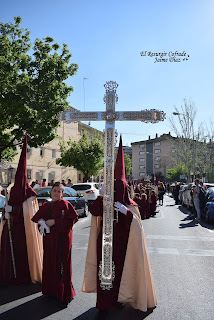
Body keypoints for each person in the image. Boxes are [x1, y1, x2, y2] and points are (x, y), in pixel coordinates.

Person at [82, 136, 157, 319]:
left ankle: (119, 299)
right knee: (103, 273)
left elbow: (138, 228)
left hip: (123, 246)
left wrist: (127, 212)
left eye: (119, 188)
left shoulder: (130, 205)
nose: (117, 191)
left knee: (121, 273)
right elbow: (93, 212)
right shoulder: (105, 201)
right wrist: (101, 196)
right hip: (104, 242)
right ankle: (103, 303)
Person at [0, 133, 43, 285]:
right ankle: (8, 275)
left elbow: (29, 214)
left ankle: (22, 275)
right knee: (6, 252)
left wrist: (14, 209)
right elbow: (7, 207)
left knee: (22, 253)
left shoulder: (29, 194)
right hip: (10, 227)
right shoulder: (11, 190)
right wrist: (6, 212)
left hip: (23, 229)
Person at [32, 182, 78, 304]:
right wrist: (41, 223)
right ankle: (50, 291)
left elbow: (71, 220)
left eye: (59, 191)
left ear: (62, 194)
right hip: (49, 240)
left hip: (62, 240)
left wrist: (55, 222)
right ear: (51, 192)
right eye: (55, 191)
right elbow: (38, 218)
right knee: (49, 263)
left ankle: (63, 293)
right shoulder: (46, 205)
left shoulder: (66, 205)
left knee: (62, 264)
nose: (56, 193)